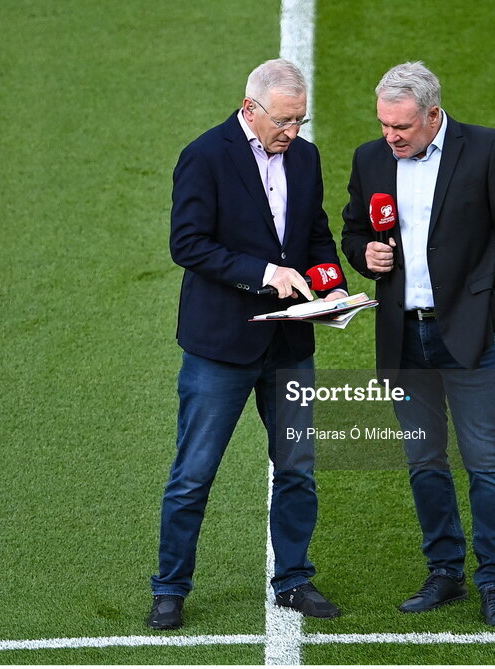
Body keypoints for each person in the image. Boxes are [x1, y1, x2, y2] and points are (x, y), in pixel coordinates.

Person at [148, 58, 347, 631]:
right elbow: (188, 244)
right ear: (250, 109)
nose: (292, 133)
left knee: (297, 468)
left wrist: (331, 291)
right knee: (194, 473)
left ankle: (293, 580)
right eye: (284, 121)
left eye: (300, 122)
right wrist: (263, 272)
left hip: (289, 344)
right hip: (221, 348)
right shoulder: (205, 156)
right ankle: (170, 588)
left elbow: (314, 234)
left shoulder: (304, 158)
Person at [341, 61, 495, 627]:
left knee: (484, 464)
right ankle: (445, 572)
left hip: (467, 334)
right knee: (425, 461)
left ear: (432, 115)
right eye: (383, 124)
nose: (389, 136)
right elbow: (354, 229)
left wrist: (489, 311)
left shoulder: (485, 149)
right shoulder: (370, 158)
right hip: (404, 335)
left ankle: (494, 583)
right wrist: (365, 255)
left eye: (400, 127)